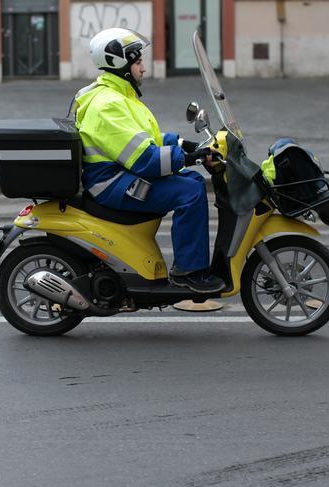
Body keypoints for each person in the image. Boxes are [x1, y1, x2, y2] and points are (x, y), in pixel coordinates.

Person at [71, 28, 223, 294]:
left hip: (120, 175)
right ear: (119, 63)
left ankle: (190, 264)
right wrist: (187, 158)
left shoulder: (121, 96)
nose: (143, 68)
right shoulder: (107, 104)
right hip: (111, 183)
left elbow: (146, 139)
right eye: (138, 61)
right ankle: (189, 272)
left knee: (192, 180)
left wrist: (182, 145)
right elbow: (144, 159)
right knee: (189, 191)